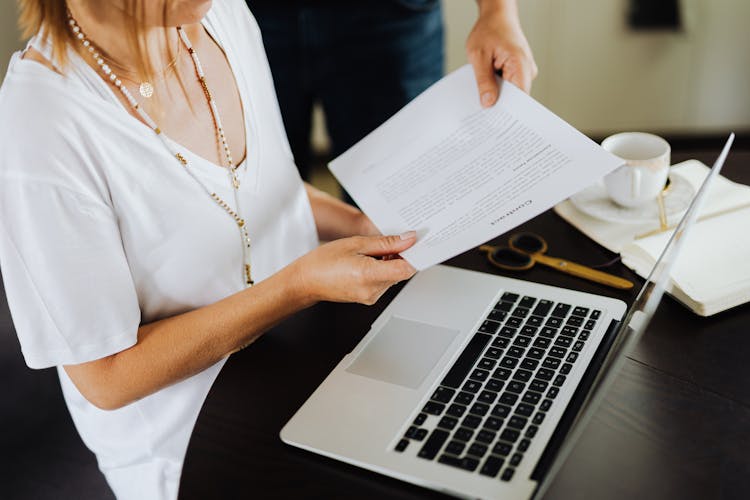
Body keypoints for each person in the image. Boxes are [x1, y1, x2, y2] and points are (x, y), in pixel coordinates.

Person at [0, 1, 417, 499]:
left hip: (307, 354)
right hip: (189, 436)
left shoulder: (222, 17)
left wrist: (354, 222)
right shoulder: (41, 123)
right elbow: (106, 378)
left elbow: (258, 188)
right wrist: (297, 287)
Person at [249, 0, 538, 181]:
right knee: (258, 197)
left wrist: (498, 11)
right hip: (246, 12)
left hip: (394, 17)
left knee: (396, 208)